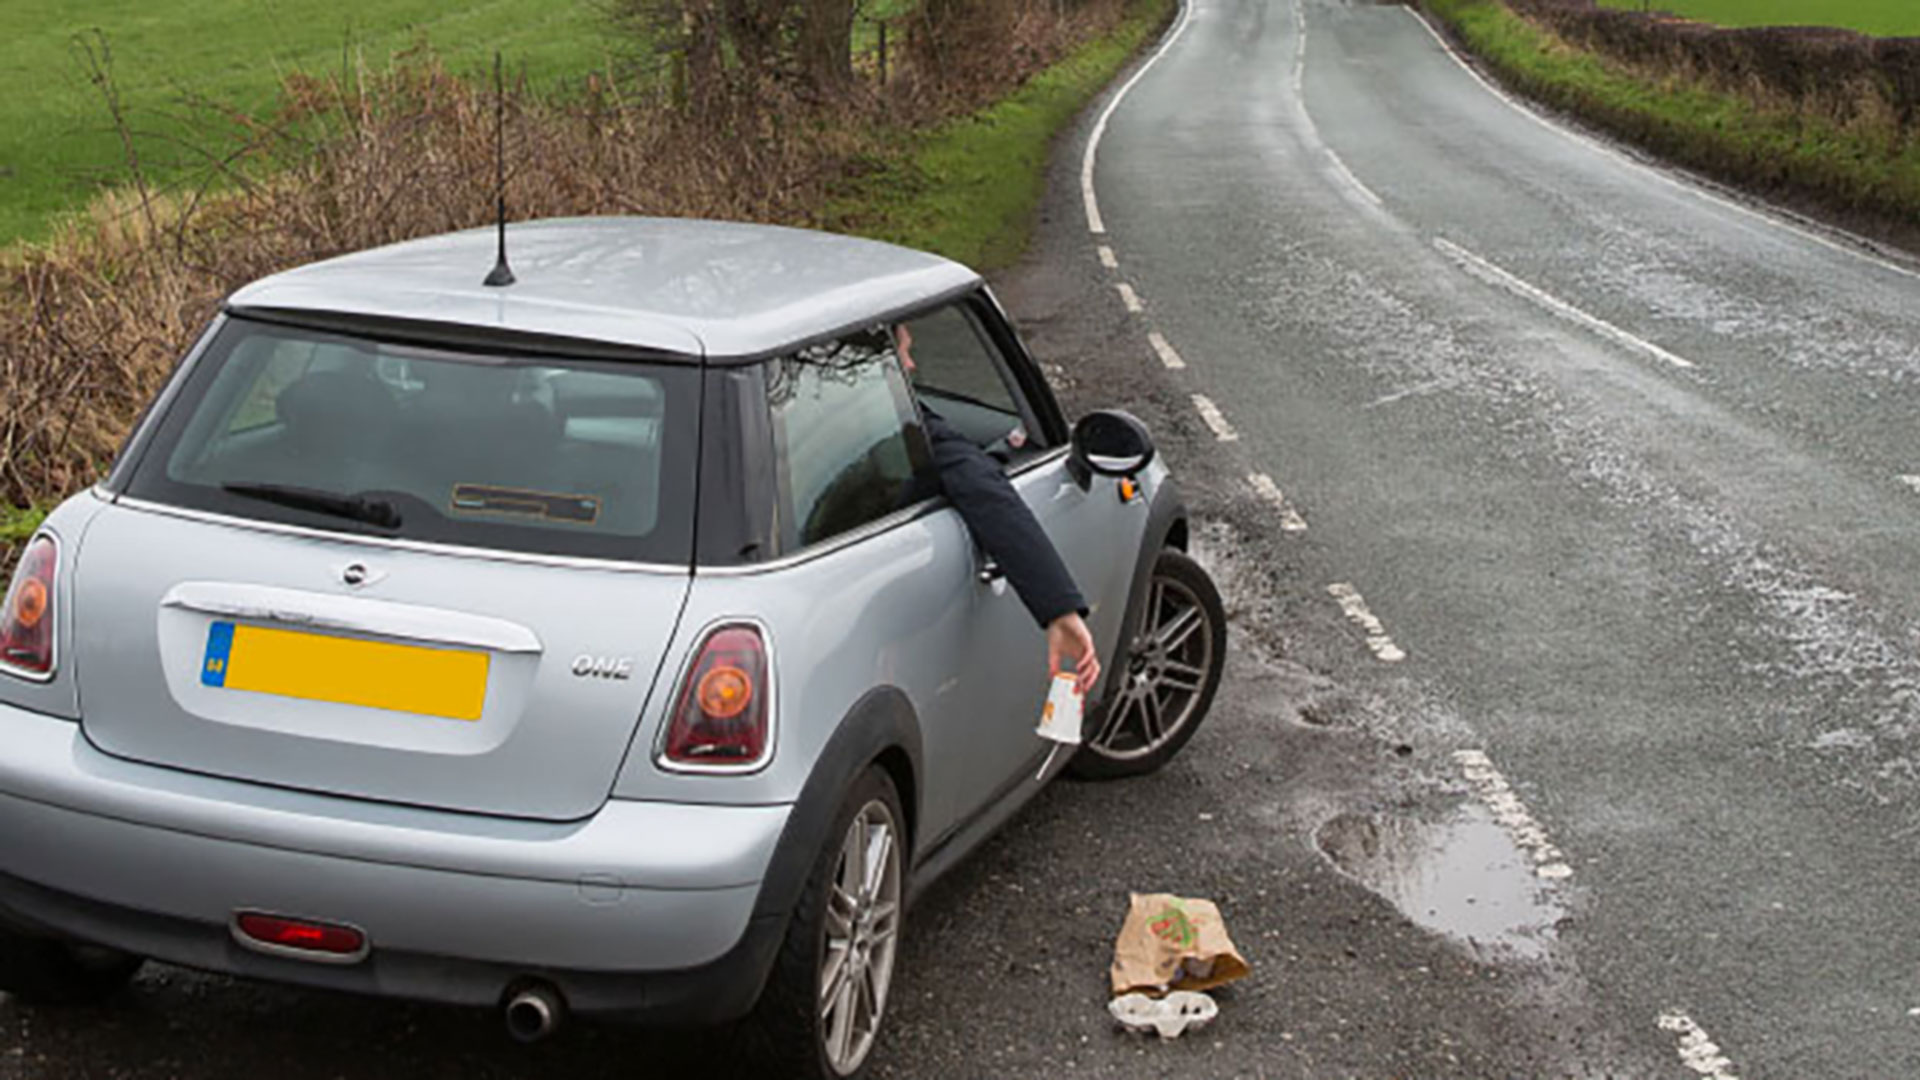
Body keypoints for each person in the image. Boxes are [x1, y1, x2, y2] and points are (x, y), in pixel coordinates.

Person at [894, 323, 1102, 696]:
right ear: (879, 364)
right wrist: (1060, 610)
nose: (911, 365)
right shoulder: (907, 426)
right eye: (903, 352)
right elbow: (980, 484)